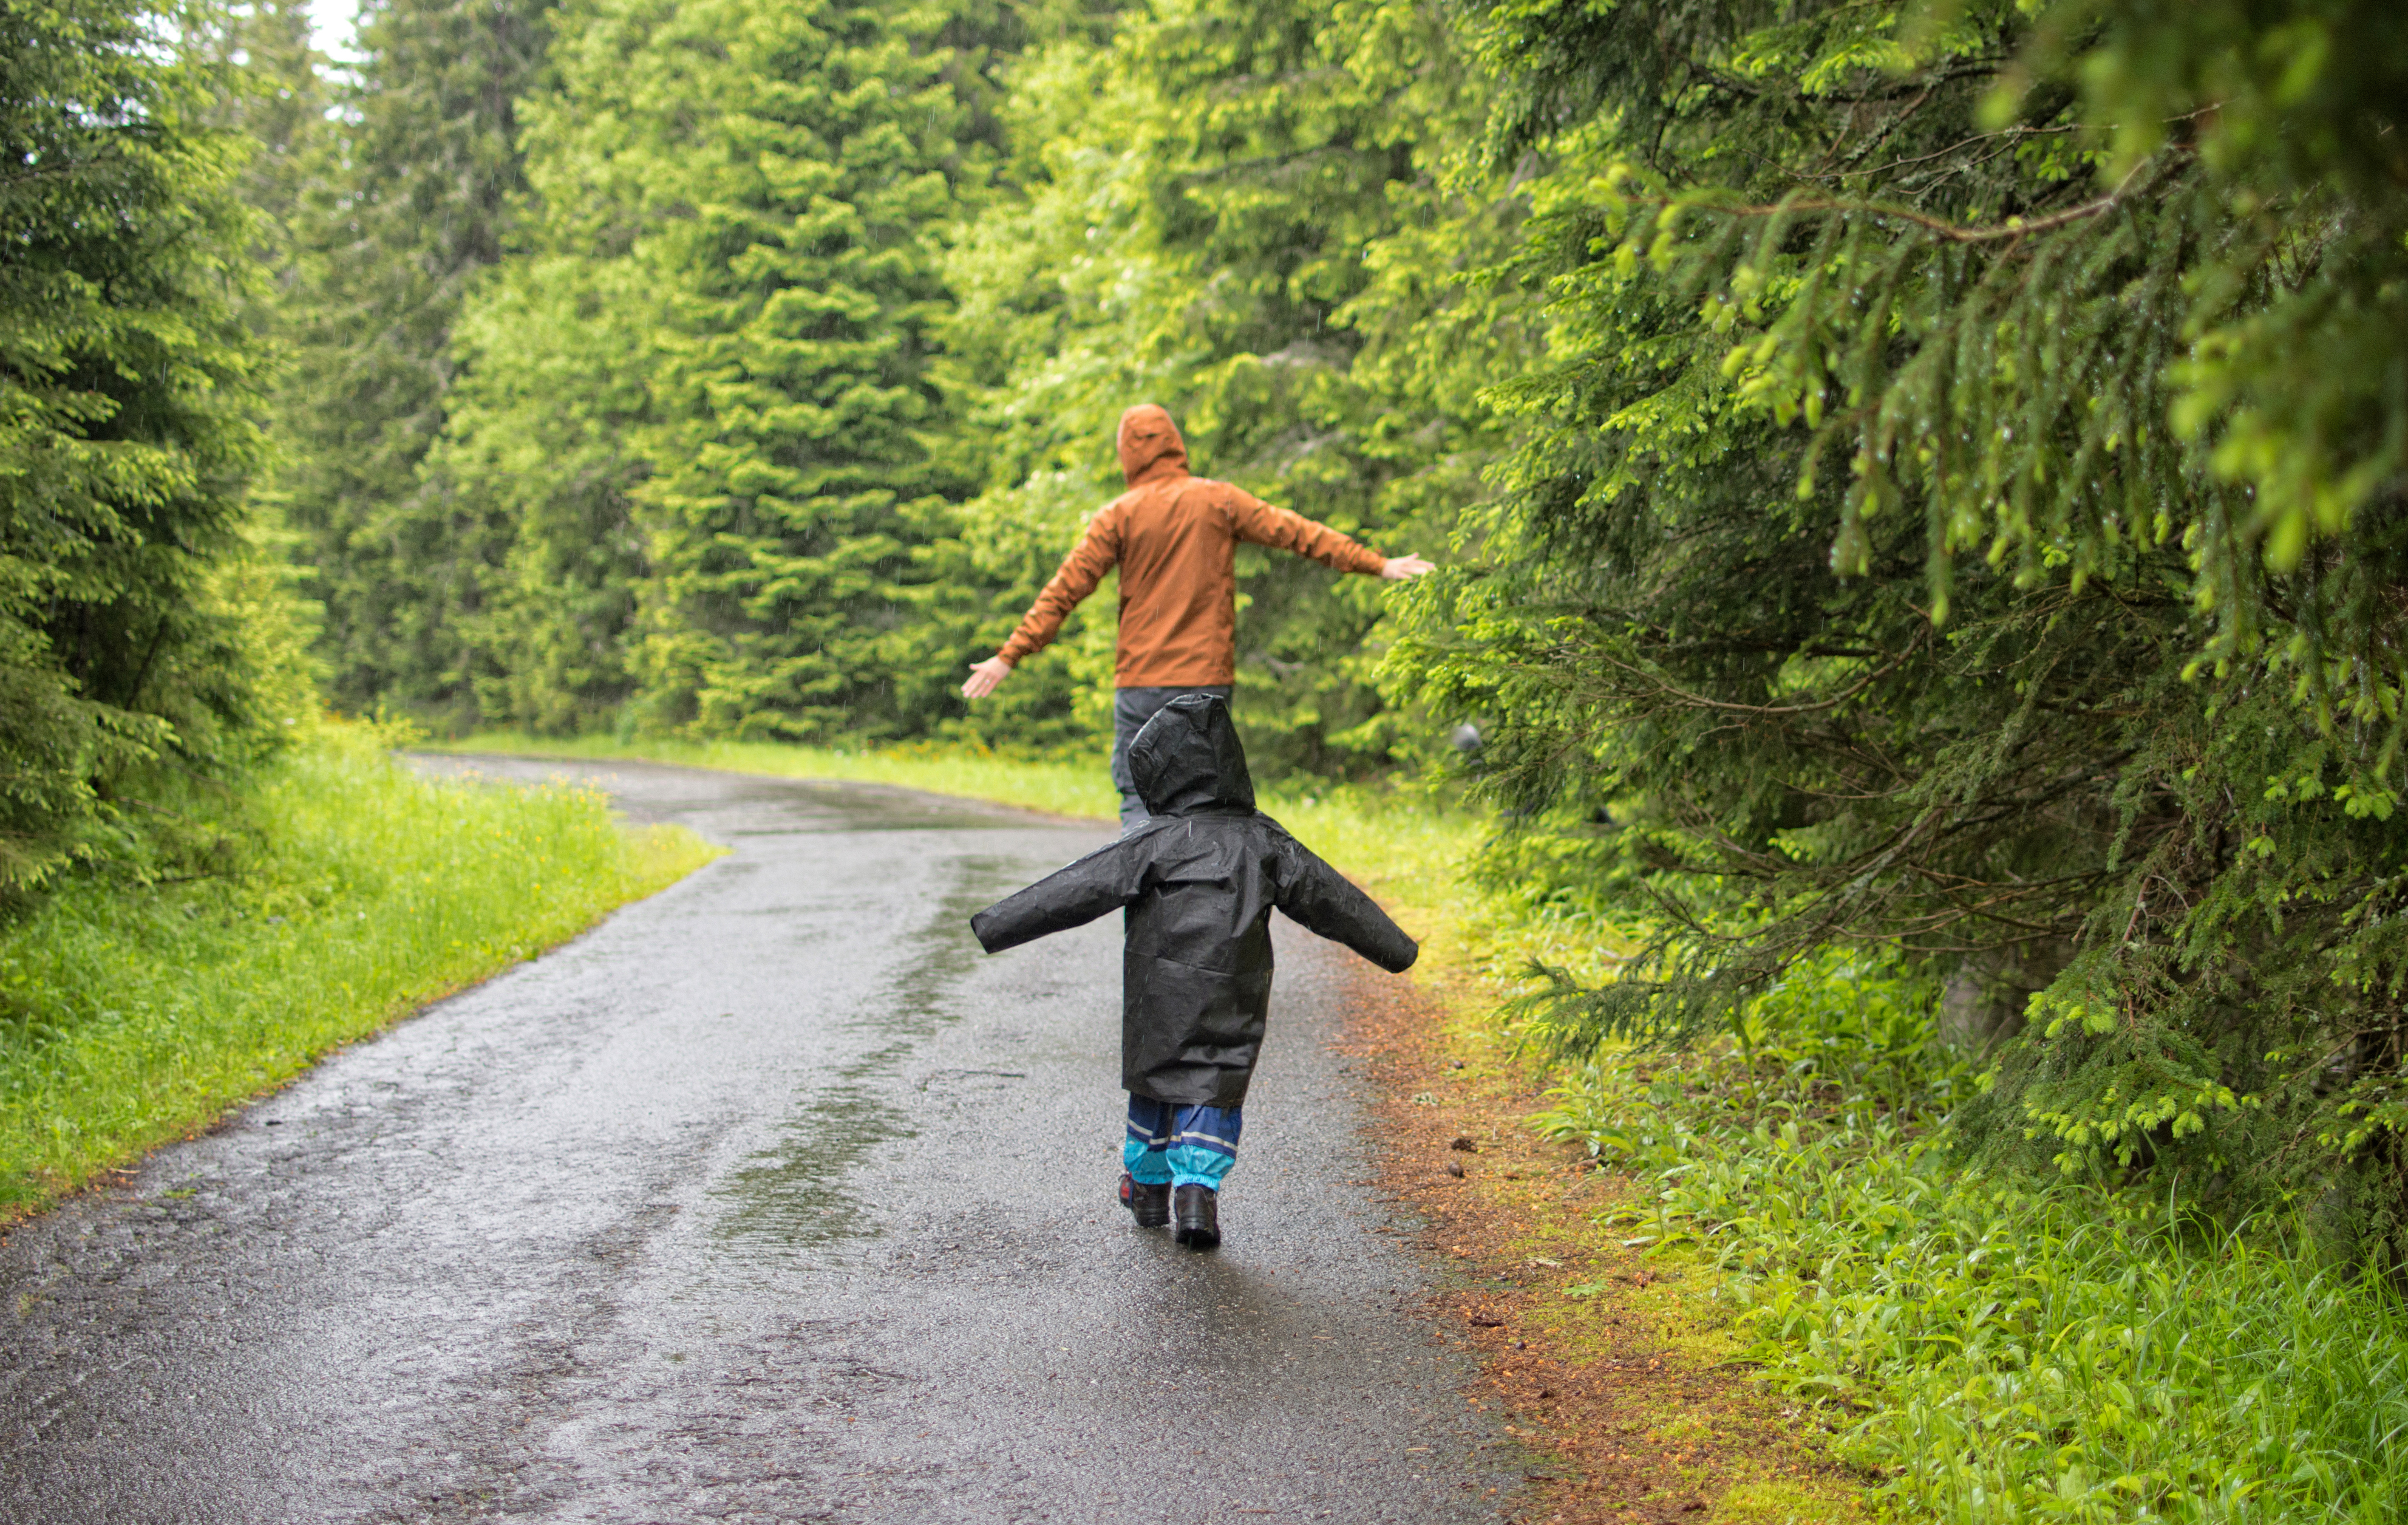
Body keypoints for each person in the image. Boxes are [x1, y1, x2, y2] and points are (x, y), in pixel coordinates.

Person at [968, 695, 1417, 1250]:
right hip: (1234, 990)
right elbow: (1334, 900)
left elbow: (1077, 889)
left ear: (1167, 772)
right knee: (1214, 1084)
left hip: (1159, 992)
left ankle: (1149, 1187)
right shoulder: (1264, 841)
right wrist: (1397, 950)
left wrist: (997, 924)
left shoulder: (1155, 840)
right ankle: (1197, 1194)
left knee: (1156, 1082)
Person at [961, 403, 1434, 828]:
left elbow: (1064, 591)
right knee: (1206, 811)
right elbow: (1297, 532)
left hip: (1141, 684)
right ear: (1175, 446)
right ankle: (1206, 917)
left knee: (1139, 805)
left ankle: (1147, 921)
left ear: (1127, 455)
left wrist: (1010, 654)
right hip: (1204, 684)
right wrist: (1378, 563)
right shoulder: (1218, 500)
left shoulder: (1118, 515)